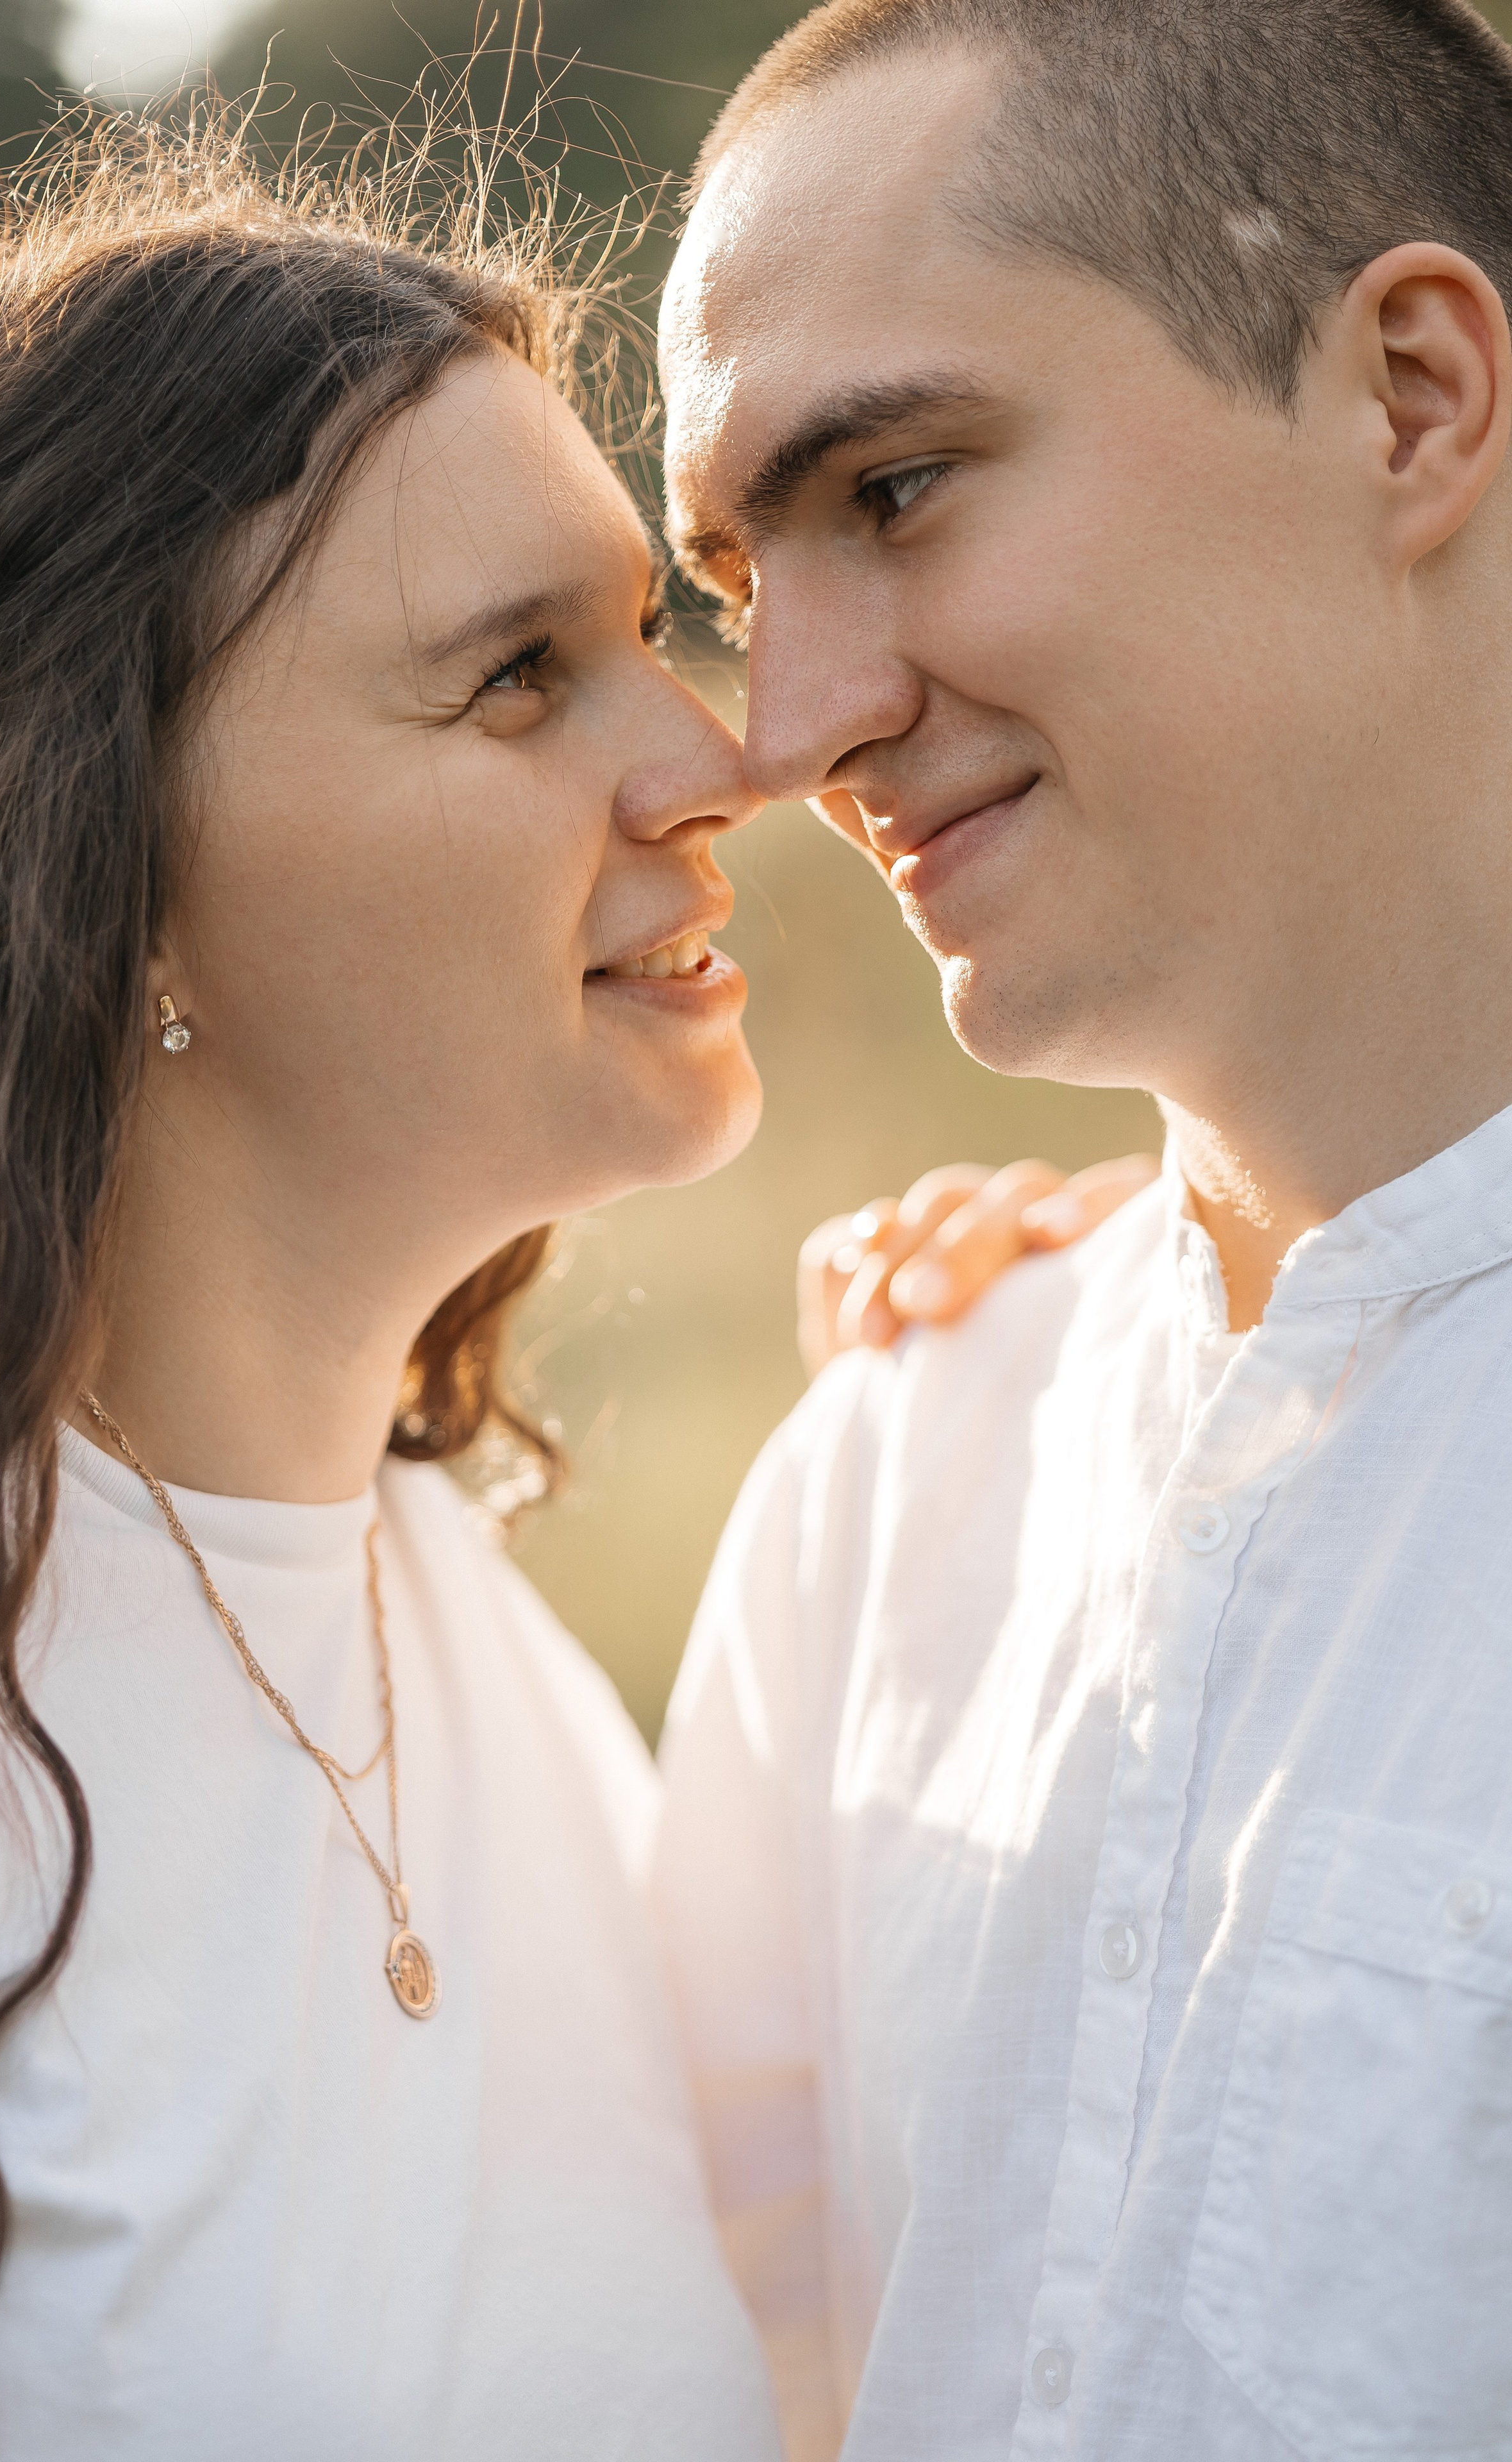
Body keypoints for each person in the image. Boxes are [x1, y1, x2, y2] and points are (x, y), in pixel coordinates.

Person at [0, 102, 1124, 2462]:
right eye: (520, 678)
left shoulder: (500, 1661)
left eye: (646, 630)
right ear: (115, 874)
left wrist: (1106, 1396)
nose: (728, 759)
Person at [651, 3, 1512, 2458]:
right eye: (733, 577)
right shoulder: (878, 1491)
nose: (782, 726)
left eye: (899, 490)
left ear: (1416, 402)